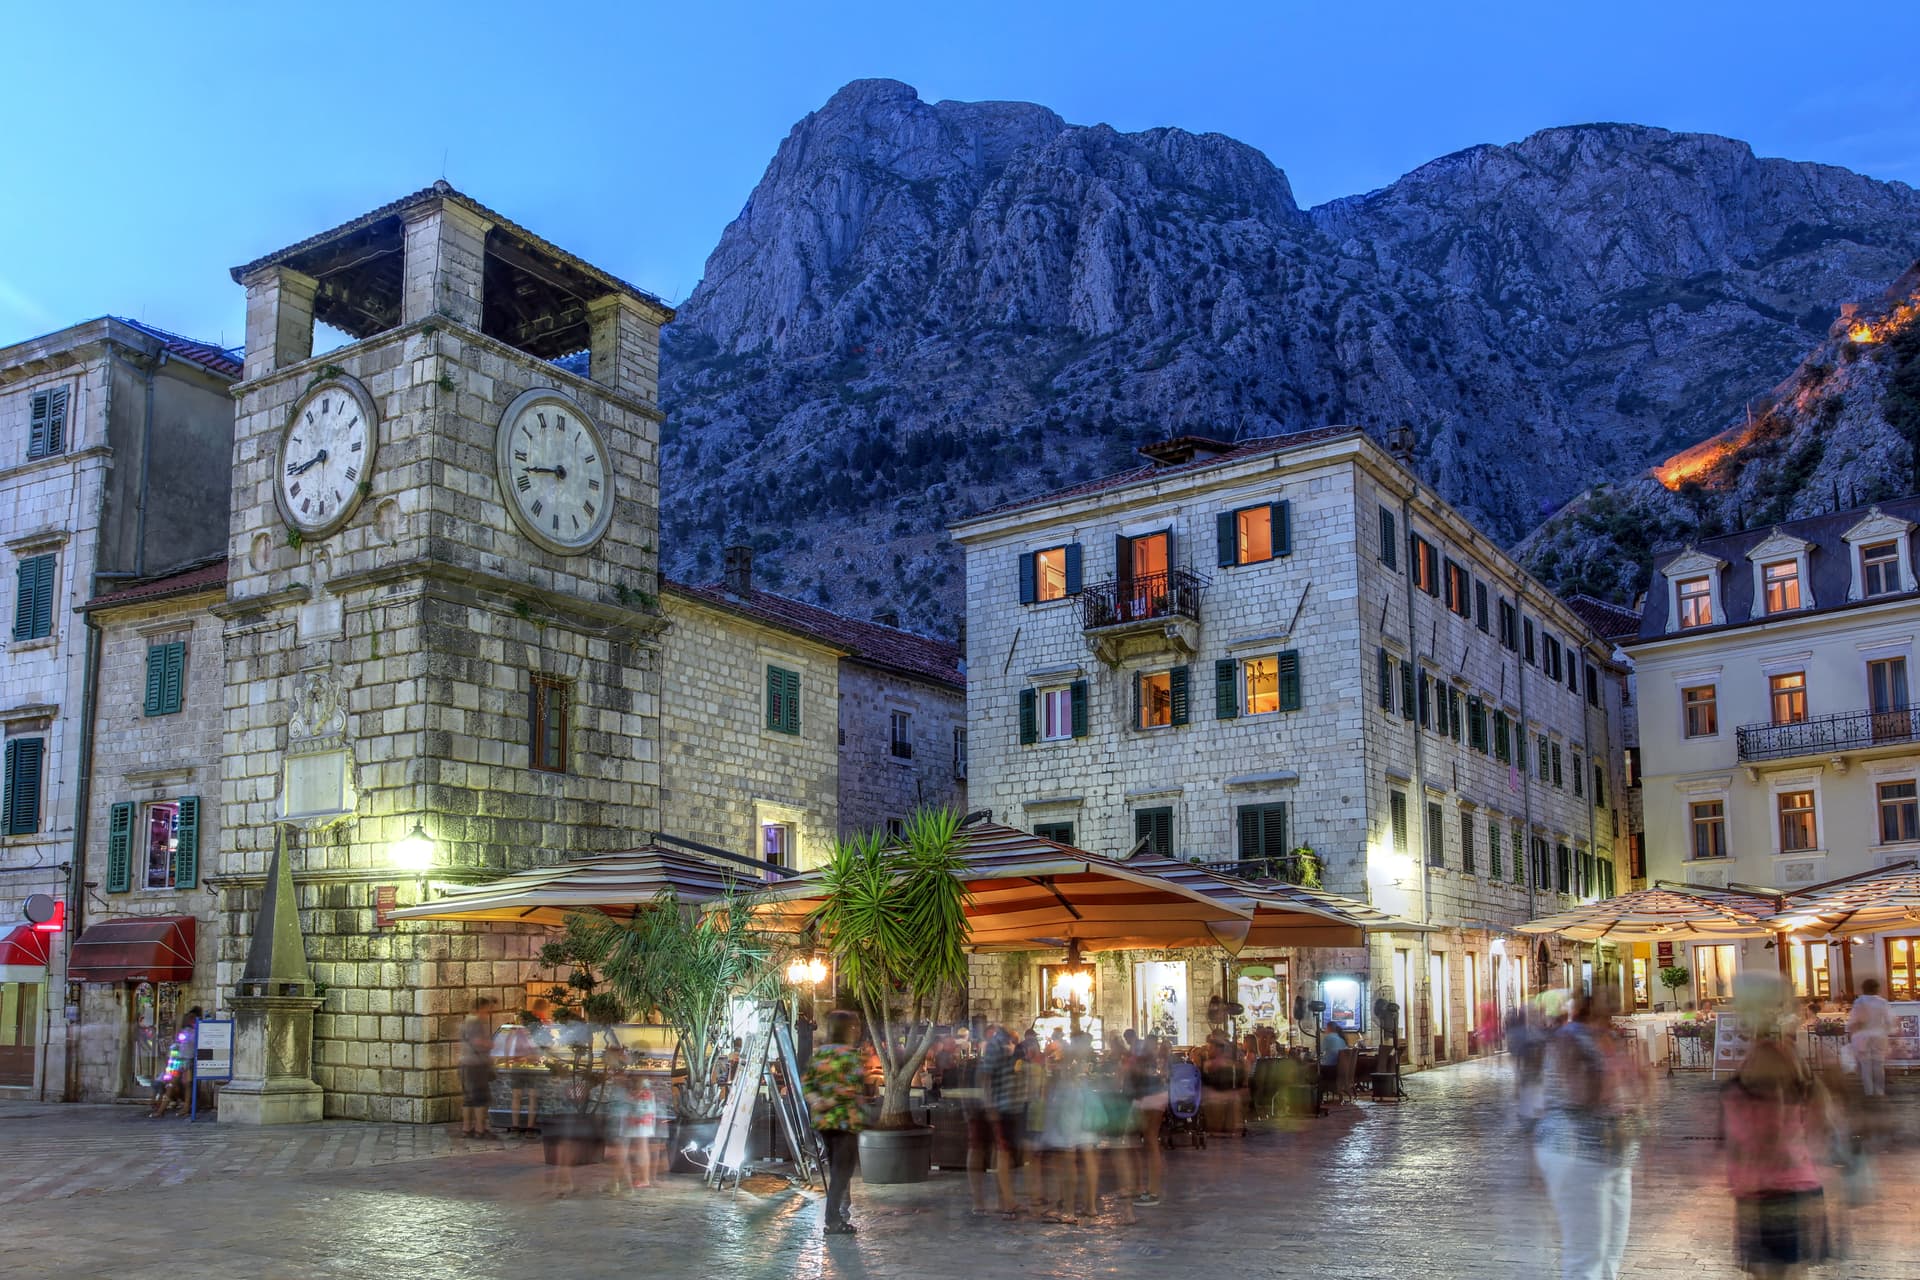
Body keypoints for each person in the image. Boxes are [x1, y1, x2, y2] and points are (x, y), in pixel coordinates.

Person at [1533, 990, 1645, 1280]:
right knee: (1586, 1255)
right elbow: (1582, 1093)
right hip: (1575, 1153)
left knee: (1611, 1250)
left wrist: (1638, 1081)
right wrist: (1617, 1078)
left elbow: (1633, 1092)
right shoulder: (1570, 1039)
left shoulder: (1607, 1039)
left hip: (1615, 1152)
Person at [1721, 1037, 1831, 1277]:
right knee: (1788, 1269)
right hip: (1794, 1188)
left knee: (1769, 1270)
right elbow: (1822, 1129)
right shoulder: (1802, 1092)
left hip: (1764, 1192)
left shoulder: (1738, 1097)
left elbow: (1741, 1145)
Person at [803, 1010, 865, 1238]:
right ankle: (832, 1219)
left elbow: (807, 1085)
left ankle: (836, 1214)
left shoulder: (819, 1055)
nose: (857, 1031)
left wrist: (818, 1101)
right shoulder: (850, 1056)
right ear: (848, 1029)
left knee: (836, 1168)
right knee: (843, 1170)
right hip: (844, 1121)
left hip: (822, 1122)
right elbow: (852, 1088)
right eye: (854, 1027)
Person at [970, 1024, 1021, 1216]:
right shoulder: (996, 1045)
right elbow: (986, 1076)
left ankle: (1000, 1201)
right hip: (994, 1106)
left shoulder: (1005, 1045)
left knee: (997, 1152)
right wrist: (989, 1104)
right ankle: (993, 1202)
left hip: (1000, 1106)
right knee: (994, 1152)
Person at [148, 1007, 202, 1118]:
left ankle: (185, 1107)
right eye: (189, 1018)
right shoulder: (185, 1031)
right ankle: (162, 1109)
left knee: (186, 1085)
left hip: (187, 1060)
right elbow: (177, 1046)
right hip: (178, 1059)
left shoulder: (197, 1031)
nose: (190, 1020)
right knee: (171, 1085)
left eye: (192, 1018)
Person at [459, 996, 499, 1139]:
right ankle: (480, 1130)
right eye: (487, 1009)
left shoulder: (466, 1021)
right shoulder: (475, 1022)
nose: (488, 1012)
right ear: (481, 1008)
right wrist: (492, 1045)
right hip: (476, 1064)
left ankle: (466, 1128)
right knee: (480, 1098)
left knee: (468, 1099)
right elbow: (477, 1042)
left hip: (465, 1063)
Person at [1847, 979, 1892, 1100]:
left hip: (1863, 1036)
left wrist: (1851, 1032)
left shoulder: (1859, 1002)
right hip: (1879, 1036)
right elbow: (1889, 1021)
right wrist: (1886, 1032)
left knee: (1866, 1065)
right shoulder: (1882, 1002)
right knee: (1878, 1065)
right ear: (1877, 989)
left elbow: (1854, 1020)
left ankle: (1869, 1092)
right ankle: (1879, 1091)